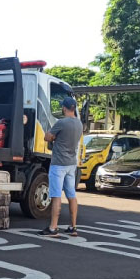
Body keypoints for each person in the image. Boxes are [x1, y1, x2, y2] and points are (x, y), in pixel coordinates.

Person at [39, 97, 83, 237]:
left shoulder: (61, 123)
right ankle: (73, 227)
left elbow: (47, 137)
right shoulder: (79, 124)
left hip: (58, 164)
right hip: (71, 164)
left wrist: (51, 135)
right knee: (71, 196)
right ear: (74, 108)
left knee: (56, 195)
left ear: (64, 108)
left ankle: (53, 228)